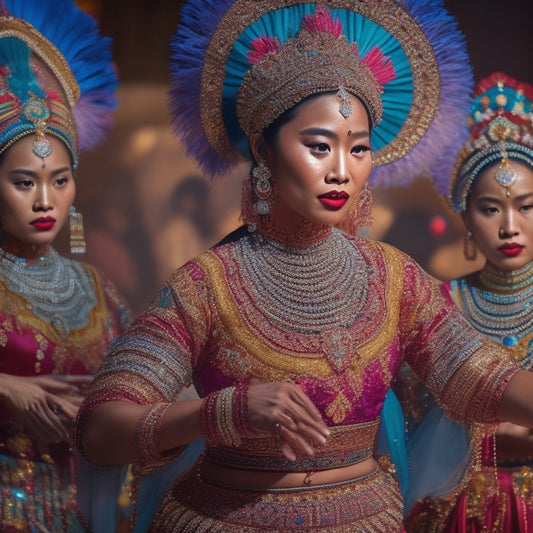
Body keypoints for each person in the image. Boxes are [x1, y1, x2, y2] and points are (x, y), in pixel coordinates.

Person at [74, 1, 533, 531]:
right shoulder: (207, 285)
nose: (341, 170)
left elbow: (481, 378)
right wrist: (223, 412)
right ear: (263, 152)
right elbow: (100, 427)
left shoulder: (393, 277)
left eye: (358, 149)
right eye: (318, 146)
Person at [0, 1, 130, 531]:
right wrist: (9, 389)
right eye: (24, 182)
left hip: (91, 511)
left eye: (59, 179)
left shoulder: (99, 290)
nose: (45, 200)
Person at [404, 73, 533, 532]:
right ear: (465, 215)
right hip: (453, 510)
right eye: (491, 208)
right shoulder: (438, 304)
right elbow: (409, 419)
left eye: (526, 205)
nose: (510, 226)